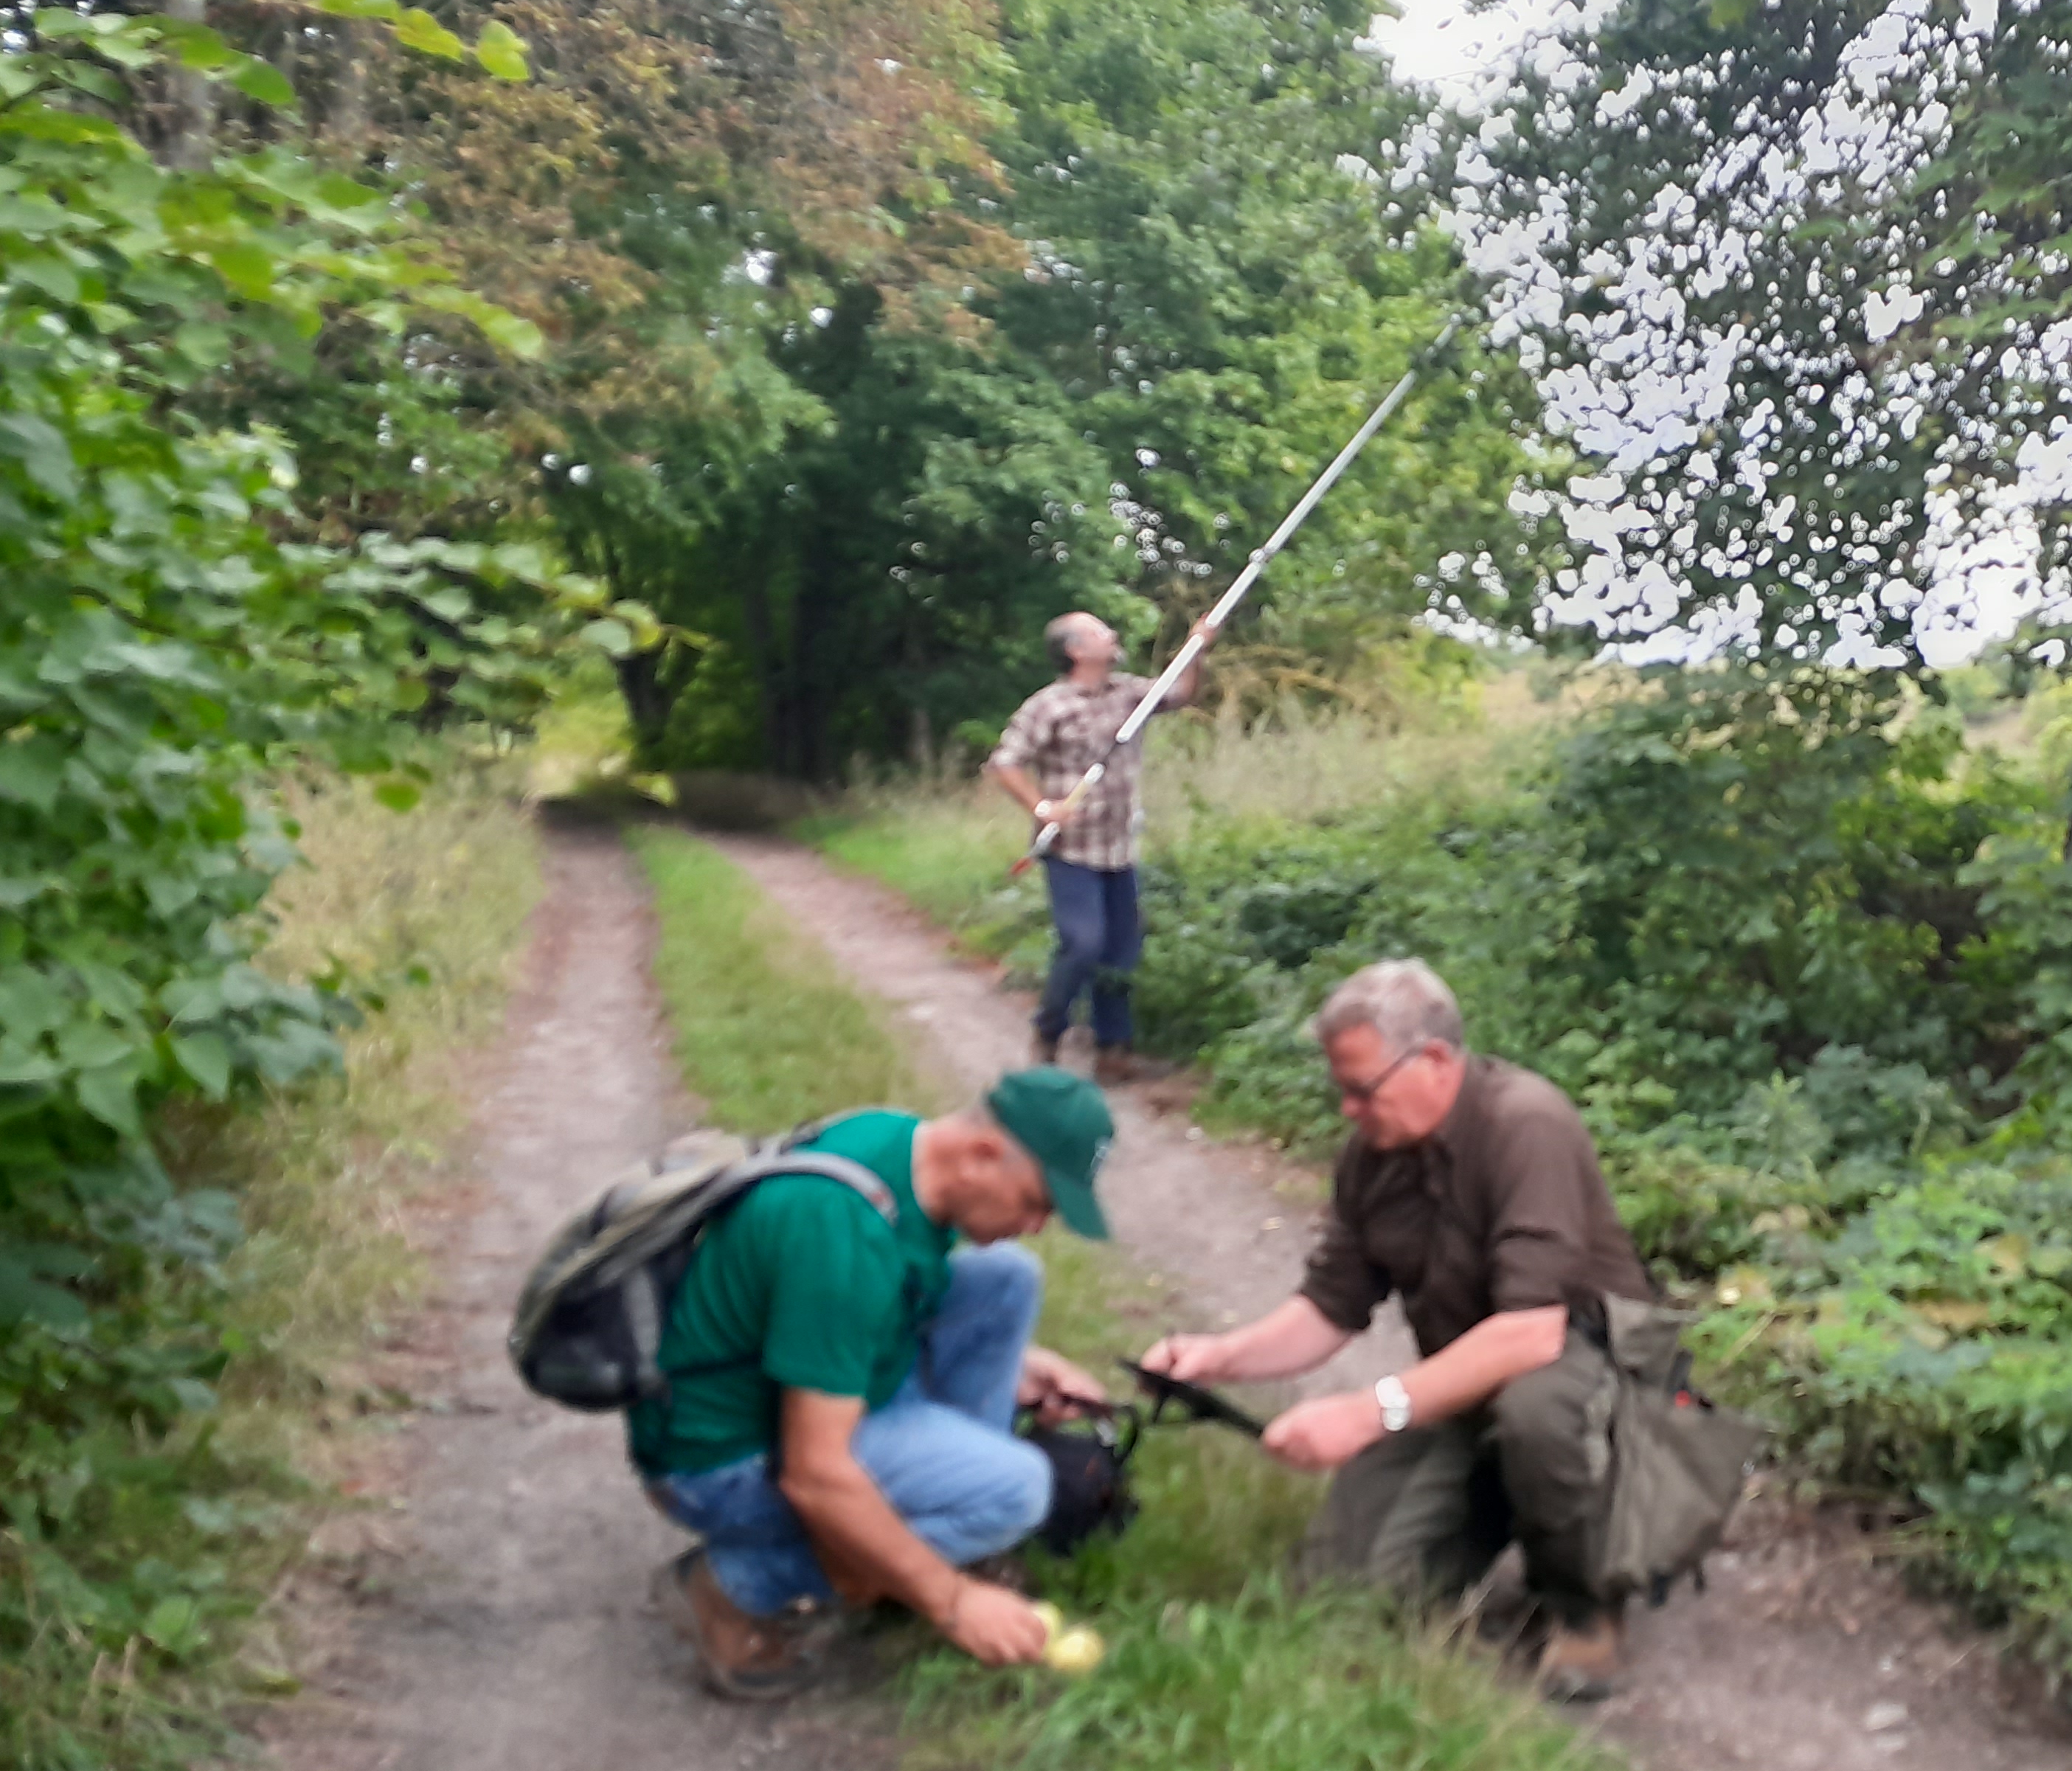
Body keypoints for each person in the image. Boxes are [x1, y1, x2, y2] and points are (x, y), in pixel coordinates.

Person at [1137, 958, 1663, 1701]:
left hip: (1594, 1380)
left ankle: (1585, 1604)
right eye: (1340, 1090)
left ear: (1437, 1061)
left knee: (1537, 1412)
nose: (1349, 1109)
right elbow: (1332, 1304)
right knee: (1344, 1594)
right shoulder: (1373, 1157)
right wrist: (1217, 1359)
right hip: (1468, 1384)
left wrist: (1367, 1411)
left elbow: (1531, 1335)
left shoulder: (1527, 1125)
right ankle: (1503, 1504)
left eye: (1361, 1089)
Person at [633, 1067, 1118, 1699]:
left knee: (1006, 1276)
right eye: (1037, 1202)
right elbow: (814, 1474)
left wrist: (1021, 1361)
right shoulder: (842, 1232)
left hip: (819, 1386)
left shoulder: (902, 1147)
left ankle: (931, 1522)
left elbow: (887, 1297)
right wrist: (953, 1602)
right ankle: (733, 1584)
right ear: (982, 1155)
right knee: (1019, 1492)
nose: (1037, 1224)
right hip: (719, 1460)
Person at [985, 609, 1201, 1082]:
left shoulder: (1130, 692)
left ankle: (1113, 1050)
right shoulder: (1049, 705)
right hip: (1071, 851)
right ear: (1076, 650)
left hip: (1119, 849)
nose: (1114, 634)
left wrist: (1197, 646)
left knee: (1122, 953)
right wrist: (1042, 807)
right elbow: (1005, 763)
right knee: (1083, 944)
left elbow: (1181, 693)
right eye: (1101, 631)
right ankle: (1049, 1029)